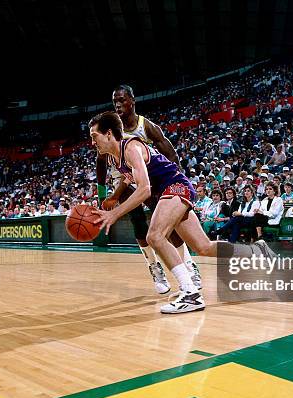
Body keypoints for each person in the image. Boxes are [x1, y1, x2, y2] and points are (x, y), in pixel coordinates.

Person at [89, 112, 275, 314]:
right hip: (171, 191)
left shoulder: (131, 147)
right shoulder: (115, 159)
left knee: (155, 236)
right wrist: (114, 198)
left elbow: (144, 189)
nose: (92, 142)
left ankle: (191, 294)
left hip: (175, 186)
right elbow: (130, 178)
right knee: (203, 247)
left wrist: (114, 214)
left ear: (108, 134)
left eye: (94, 136)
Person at [96, 85, 201, 294]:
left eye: (122, 100)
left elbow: (170, 153)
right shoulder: (109, 130)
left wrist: (177, 184)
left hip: (151, 179)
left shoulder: (146, 127)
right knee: (139, 224)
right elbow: (100, 162)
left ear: (132, 101)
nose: (117, 104)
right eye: (114, 101)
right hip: (123, 180)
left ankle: (188, 266)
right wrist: (102, 193)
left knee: (167, 225)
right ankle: (154, 267)